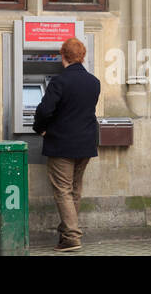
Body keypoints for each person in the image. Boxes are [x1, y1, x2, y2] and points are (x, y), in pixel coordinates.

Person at [32, 37, 100, 251]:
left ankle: (71, 237)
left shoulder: (59, 82)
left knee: (62, 190)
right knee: (74, 190)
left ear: (63, 55)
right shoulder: (94, 82)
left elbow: (44, 110)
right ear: (82, 56)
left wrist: (40, 127)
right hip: (86, 143)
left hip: (63, 143)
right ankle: (66, 234)